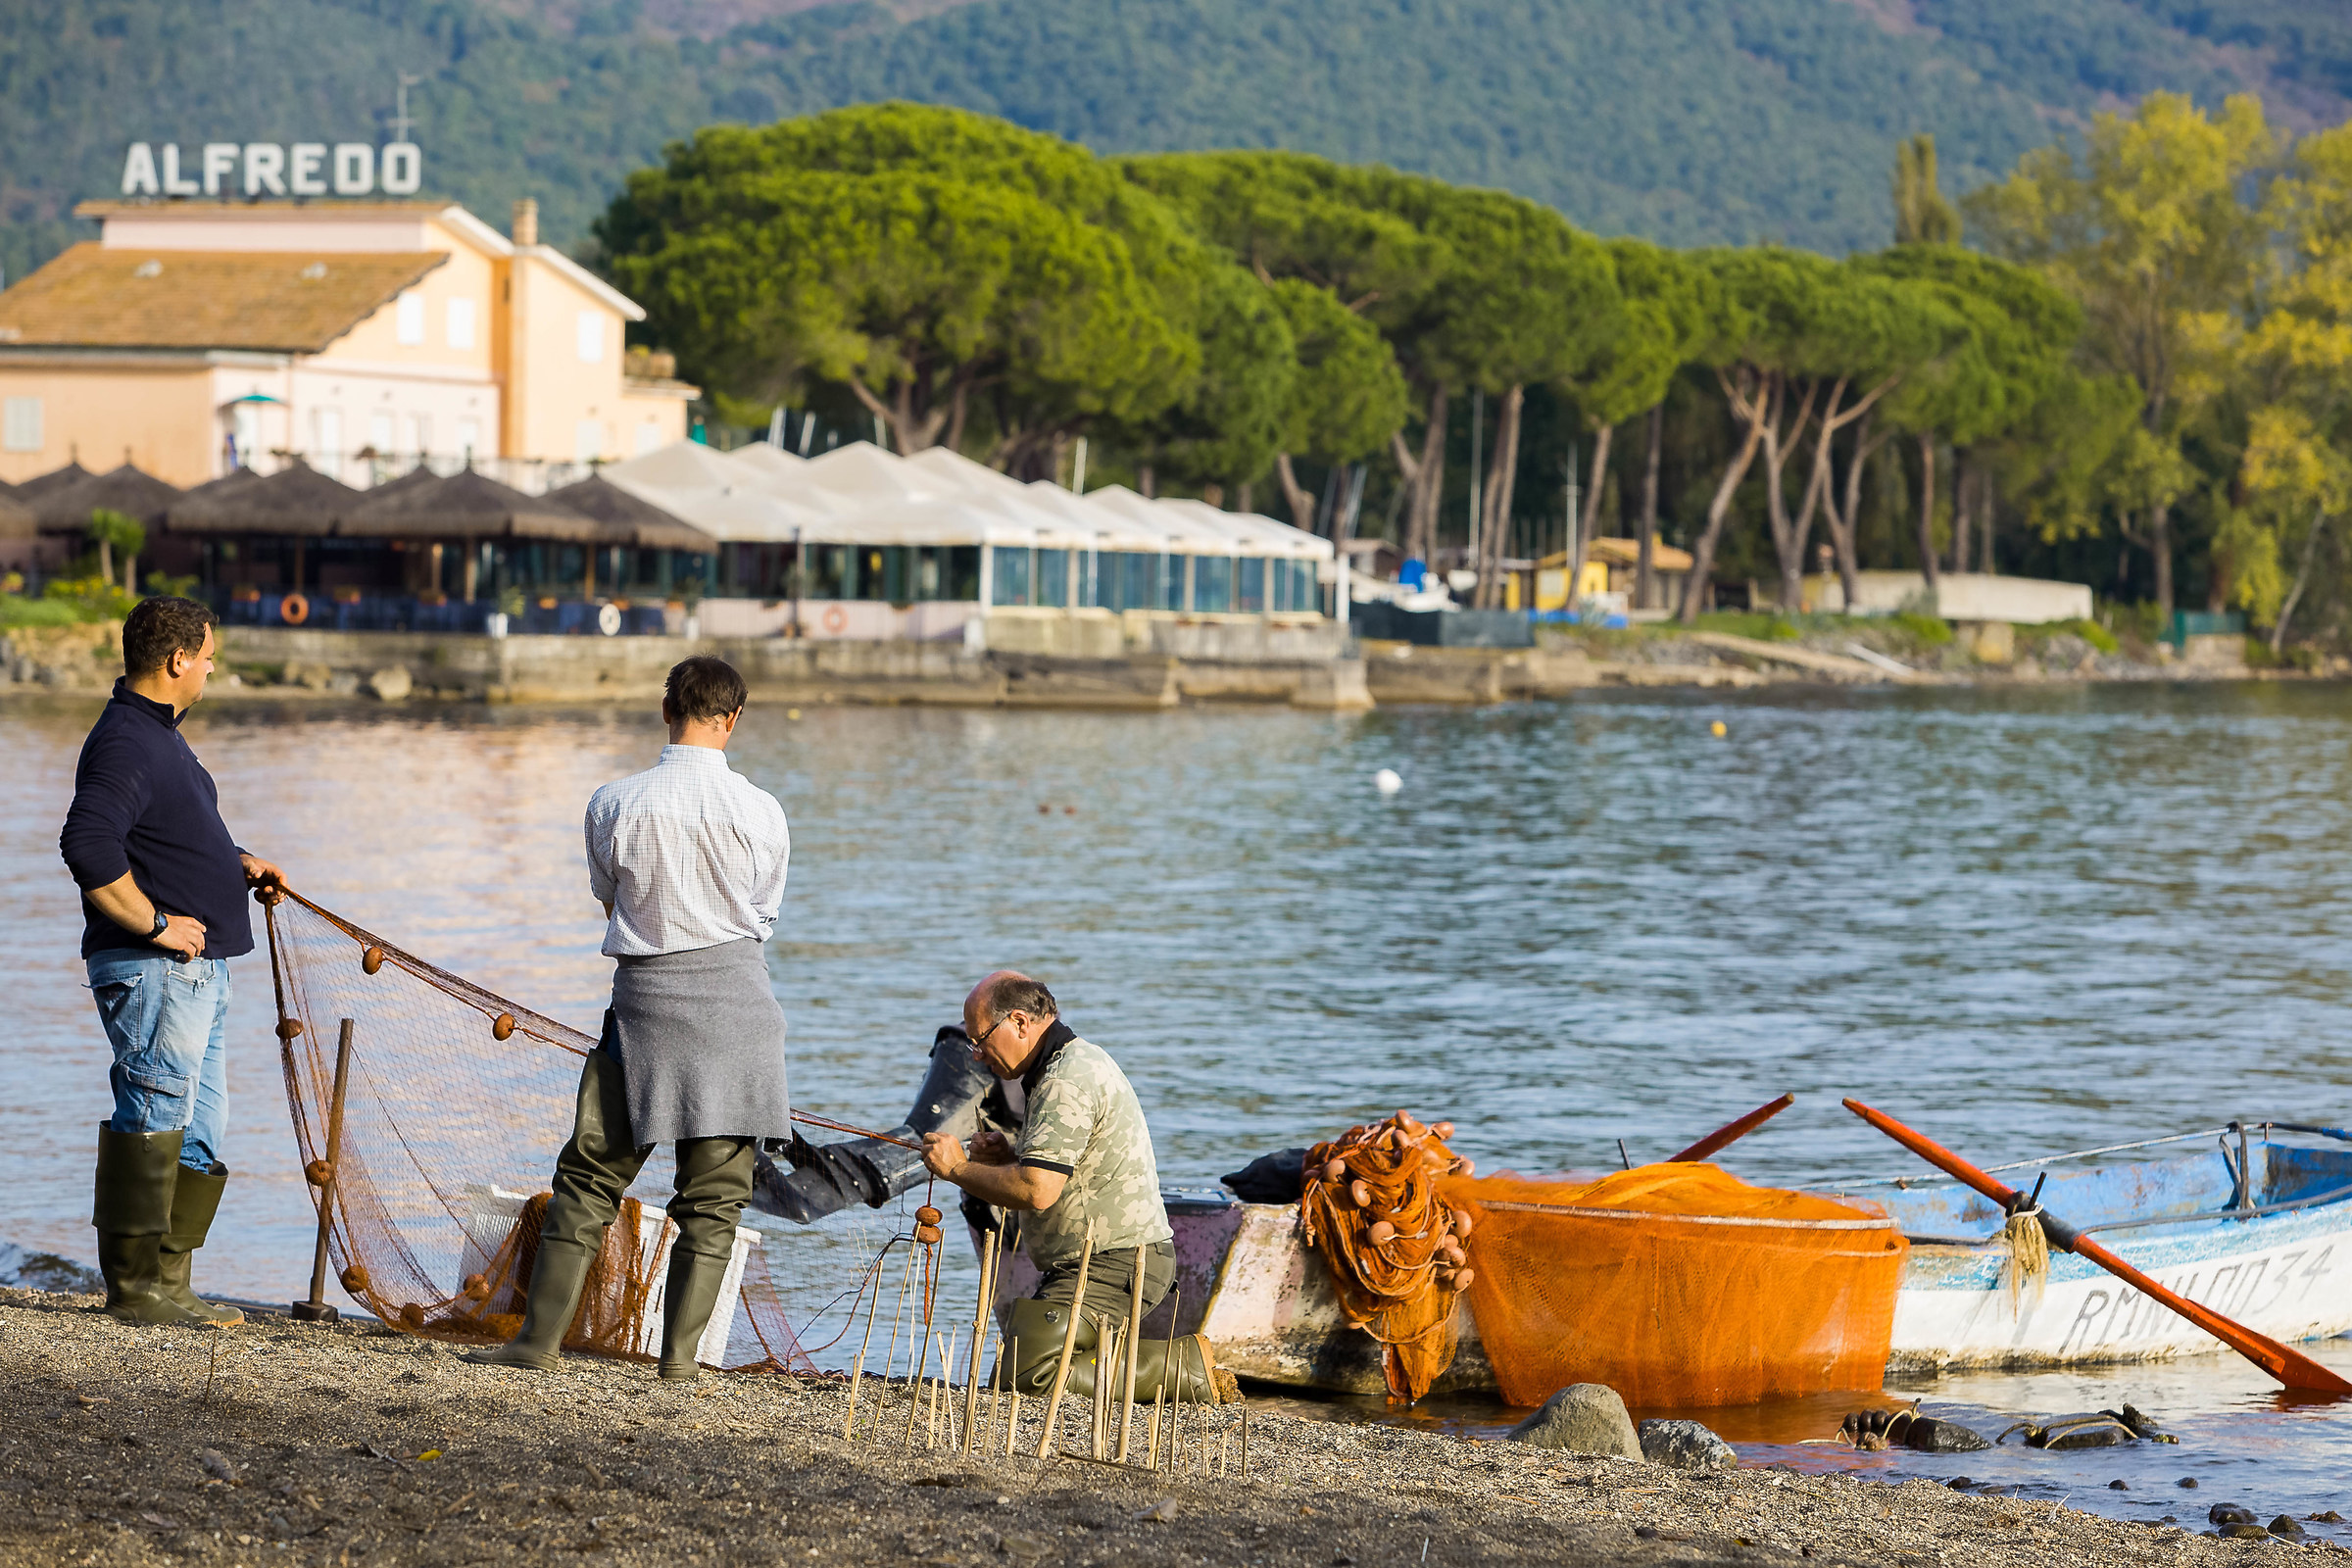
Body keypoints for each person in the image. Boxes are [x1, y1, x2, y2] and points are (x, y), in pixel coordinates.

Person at [466, 655, 791, 1381]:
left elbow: (608, 897)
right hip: (740, 1011)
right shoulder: (764, 811)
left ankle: (536, 1344)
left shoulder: (612, 802)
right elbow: (764, 915)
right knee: (713, 1203)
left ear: (665, 708)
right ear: (734, 719)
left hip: (644, 1007)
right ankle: (678, 1366)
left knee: (589, 1179)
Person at [59, 596, 283, 1327]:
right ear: (178, 659)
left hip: (197, 973)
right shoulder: (127, 739)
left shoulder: (158, 735)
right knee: (156, 1112)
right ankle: (135, 1291)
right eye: (209, 656)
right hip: (156, 970)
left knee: (200, 1126)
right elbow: (87, 844)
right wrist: (155, 925)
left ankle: (171, 1284)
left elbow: (165, 832)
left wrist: (234, 862)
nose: (213, 668)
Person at [921, 971, 1235, 1405]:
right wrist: (1008, 1159)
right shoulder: (1069, 1063)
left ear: (1019, 1022)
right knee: (1017, 1369)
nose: (976, 1055)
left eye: (981, 1040)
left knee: (1026, 1377)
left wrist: (956, 1168)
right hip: (1101, 1259)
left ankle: (1183, 1367)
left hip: (1117, 1261)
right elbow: (1062, 1172)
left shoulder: (1063, 1080)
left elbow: (1037, 1190)